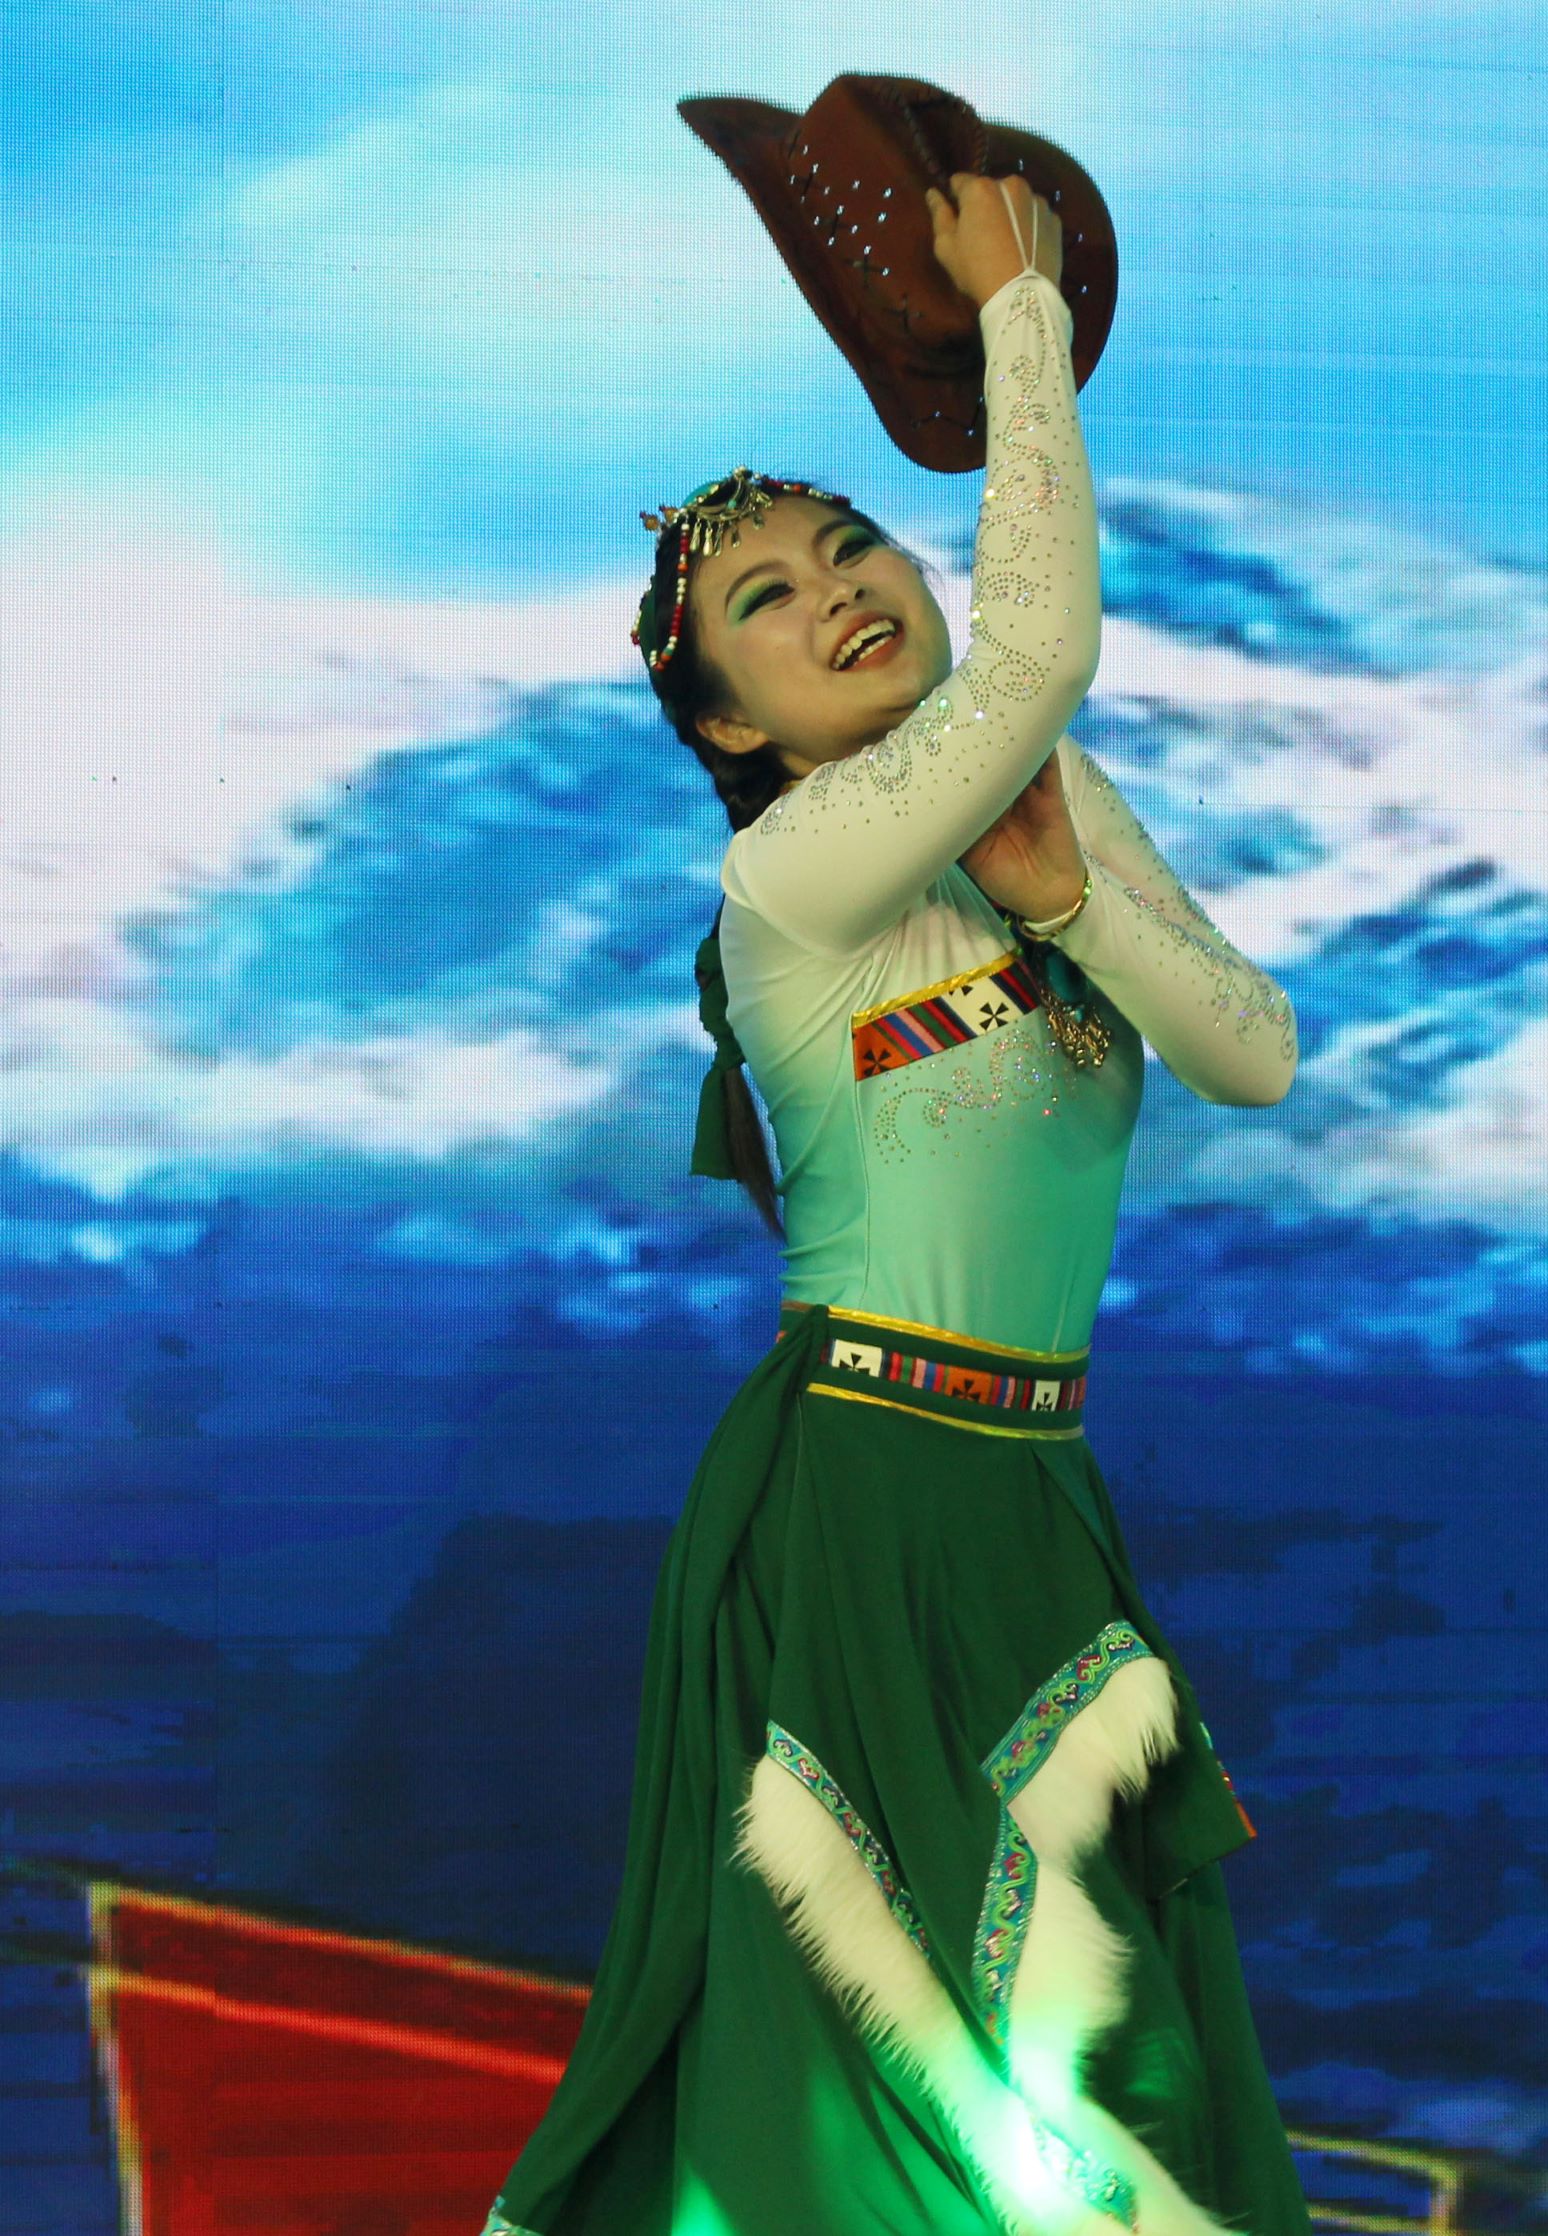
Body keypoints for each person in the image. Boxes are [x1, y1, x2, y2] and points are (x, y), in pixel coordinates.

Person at [480, 172, 1308, 2236]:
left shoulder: (1041, 797)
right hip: (862, 1492)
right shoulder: (793, 881)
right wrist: (1018, 313)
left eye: (852, 544)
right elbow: (1042, 646)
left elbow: (1251, 1050)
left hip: (1032, 1495)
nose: (837, 589)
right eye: (766, 598)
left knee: (1084, 2044)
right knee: (963, 2071)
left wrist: (1068, 900)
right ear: (726, 722)